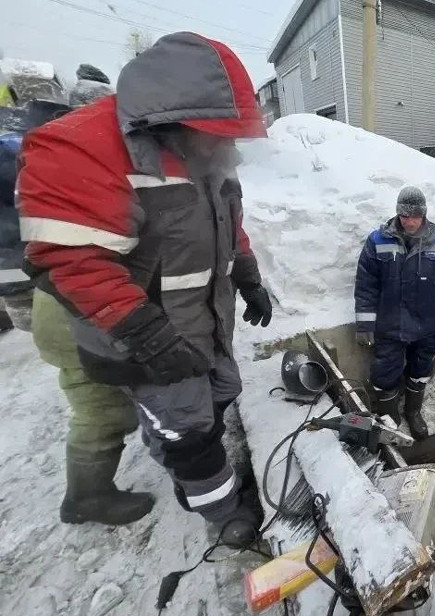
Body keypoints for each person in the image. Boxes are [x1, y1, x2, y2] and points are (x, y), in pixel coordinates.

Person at [17, 32, 272, 545]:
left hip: (204, 320)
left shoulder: (207, 154)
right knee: (187, 430)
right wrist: (147, 335)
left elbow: (228, 220)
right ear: (170, 122)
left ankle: (200, 476)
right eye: (219, 134)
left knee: (219, 395)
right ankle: (221, 515)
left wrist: (245, 270)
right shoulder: (85, 151)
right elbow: (74, 260)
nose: (229, 146)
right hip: (139, 330)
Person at [354, 186, 435, 440]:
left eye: (414, 216)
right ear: (397, 214)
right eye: (404, 216)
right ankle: (389, 416)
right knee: (384, 372)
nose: (409, 221)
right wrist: (364, 324)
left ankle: (413, 412)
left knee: (420, 369)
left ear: (424, 214)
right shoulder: (378, 240)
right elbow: (366, 285)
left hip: (427, 325)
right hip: (390, 324)